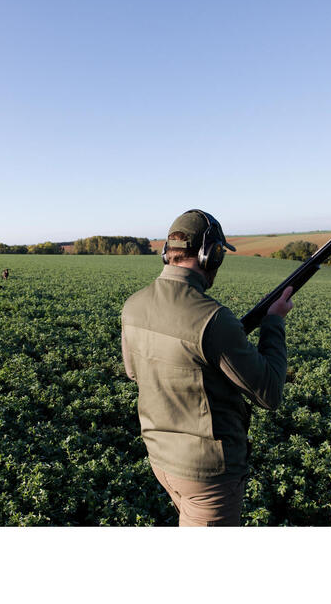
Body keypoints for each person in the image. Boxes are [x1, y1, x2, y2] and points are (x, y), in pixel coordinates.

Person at [121, 209, 294, 526]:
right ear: (210, 254)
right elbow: (269, 392)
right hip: (207, 477)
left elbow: (135, 372)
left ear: (167, 252)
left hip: (161, 460)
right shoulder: (212, 318)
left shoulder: (133, 305)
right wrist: (274, 323)